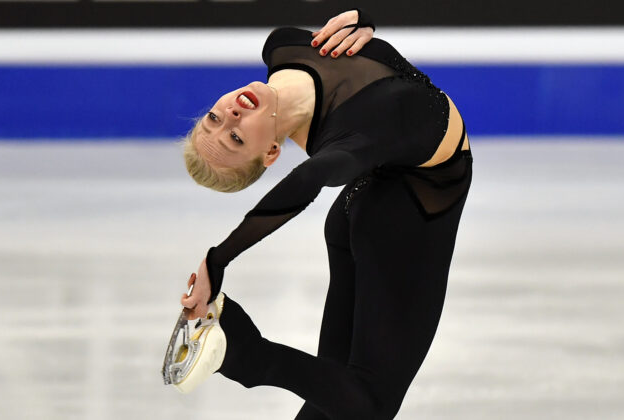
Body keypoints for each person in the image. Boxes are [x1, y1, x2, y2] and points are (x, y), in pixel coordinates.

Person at [179, 7, 473, 419]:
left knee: (334, 395)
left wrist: (365, 16)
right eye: (235, 137)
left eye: (214, 118)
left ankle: (245, 349)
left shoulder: (282, 44)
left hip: (363, 208)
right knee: (369, 405)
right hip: (406, 215)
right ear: (270, 154)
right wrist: (219, 257)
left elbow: (391, 65)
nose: (231, 115)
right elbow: (309, 180)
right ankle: (250, 357)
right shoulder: (346, 143)